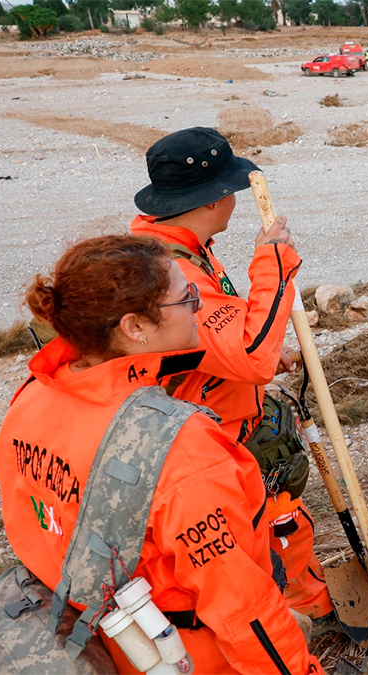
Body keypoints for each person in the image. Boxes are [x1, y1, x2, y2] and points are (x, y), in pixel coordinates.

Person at [0, 235, 321, 674]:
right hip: (187, 656)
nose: (199, 307)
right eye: (186, 297)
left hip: (88, 638)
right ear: (134, 327)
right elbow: (243, 610)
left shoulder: (32, 398)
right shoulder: (179, 447)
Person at [130, 127, 332, 620]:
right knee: (267, 541)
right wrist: (274, 262)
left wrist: (247, 358)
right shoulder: (173, 272)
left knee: (280, 529)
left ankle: (308, 609)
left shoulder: (173, 246)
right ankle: (297, 626)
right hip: (212, 447)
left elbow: (221, 343)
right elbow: (251, 355)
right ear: (216, 198)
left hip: (217, 422)